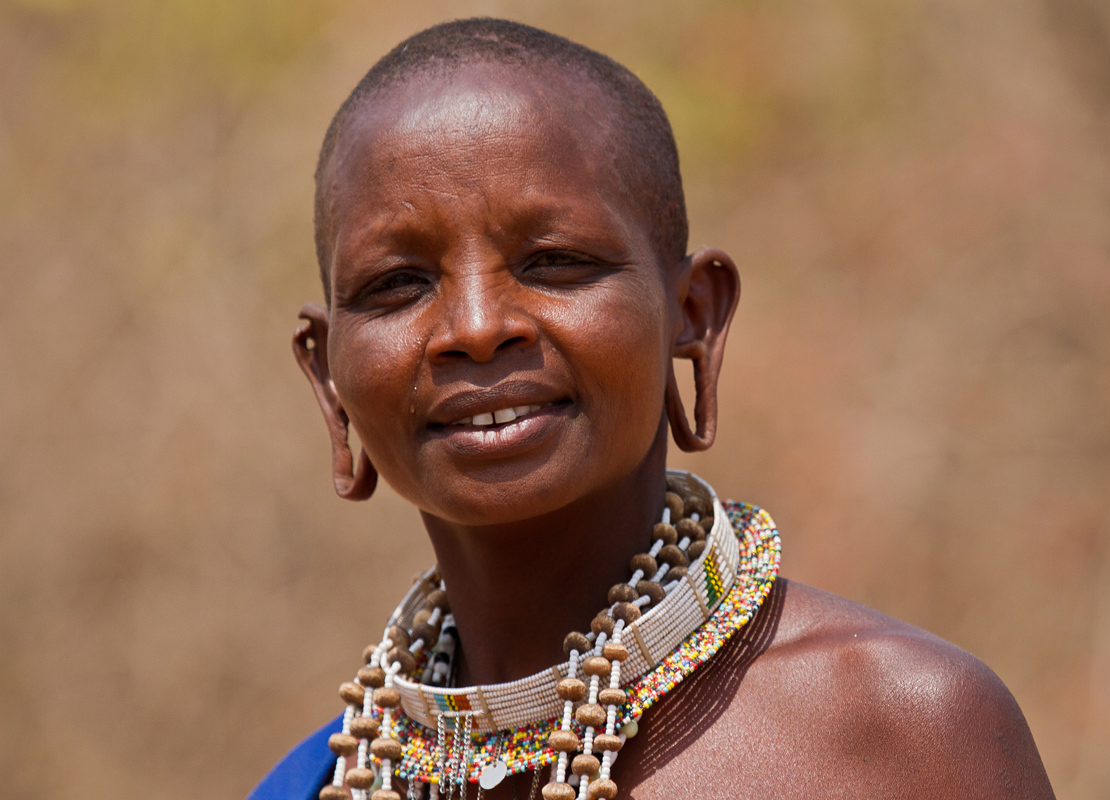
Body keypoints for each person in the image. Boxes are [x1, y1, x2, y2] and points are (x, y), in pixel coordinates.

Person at [250, 18, 1056, 800]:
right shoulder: (320, 783)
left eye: (556, 261)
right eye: (398, 284)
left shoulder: (900, 735)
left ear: (693, 314)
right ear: (328, 375)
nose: (476, 328)